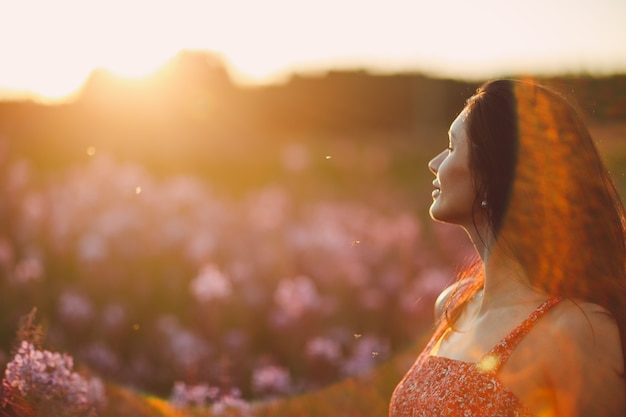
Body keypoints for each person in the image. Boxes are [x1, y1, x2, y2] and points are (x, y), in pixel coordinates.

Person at [389, 79, 626, 416]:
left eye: (452, 146)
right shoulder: (453, 304)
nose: (434, 162)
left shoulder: (579, 329)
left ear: (494, 172)